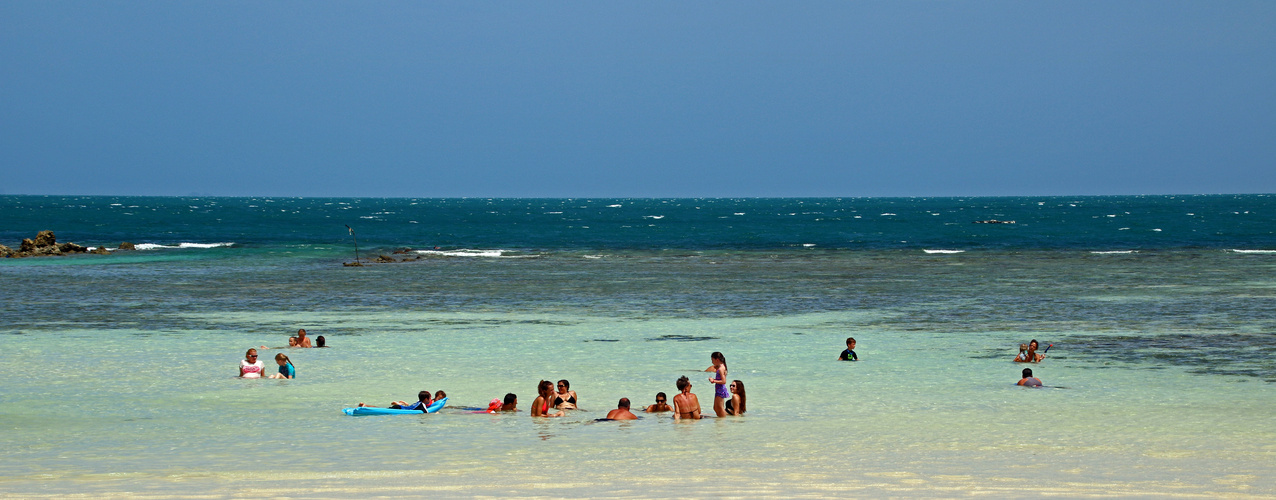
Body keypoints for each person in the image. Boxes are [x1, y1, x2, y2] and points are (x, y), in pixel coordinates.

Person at [359, 390, 433, 411]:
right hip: (400, 408)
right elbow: (427, 412)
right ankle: (365, 407)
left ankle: (366, 405)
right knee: (383, 409)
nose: (430, 400)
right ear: (426, 399)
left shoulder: (418, 402)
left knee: (383, 408)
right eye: (429, 398)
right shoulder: (422, 405)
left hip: (399, 407)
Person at [705, 352, 728, 417]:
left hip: (720, 389)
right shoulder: (722, 367)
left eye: (712, 360)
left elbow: (724, 381)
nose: (712, 362)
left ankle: (723, 421)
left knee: (720, 408)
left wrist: (713, 380)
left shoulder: (721, 369)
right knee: (715, 407)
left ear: (717, 360)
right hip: (719, 389)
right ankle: (720, 420)